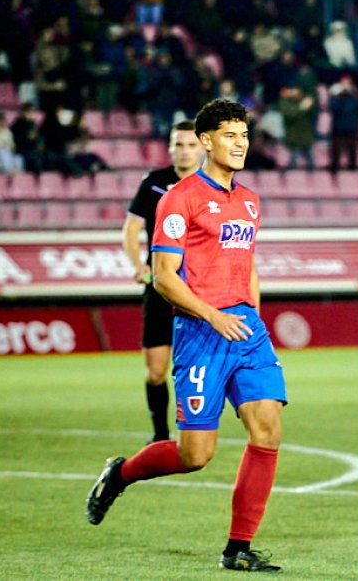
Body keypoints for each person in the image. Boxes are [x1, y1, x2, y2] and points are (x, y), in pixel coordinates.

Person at [86, 99, 287, 573]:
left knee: (268, 430)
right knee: (195, 454)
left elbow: (246, 265)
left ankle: (238, 548)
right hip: (200, 331)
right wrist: (214, 317)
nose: (240, 144)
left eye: (244, 135)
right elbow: (164, 277)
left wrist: (251, 317)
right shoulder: (179, 198)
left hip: (247, 333)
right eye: (230, 136)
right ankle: (121, 474)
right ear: (206, 141)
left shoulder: (250, 200)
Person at [121, 121, 204, 442]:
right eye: (178, 144)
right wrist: (139, 265)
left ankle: (196, 430)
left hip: (198, 289)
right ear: (169, 147)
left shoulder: (210, 185)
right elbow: (130, 229)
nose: (183, 151)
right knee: (156, 372)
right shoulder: (155, 184)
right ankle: (159, 435)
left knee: (196, 369)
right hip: (160, 286)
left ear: (203, 148)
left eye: (190, 145)